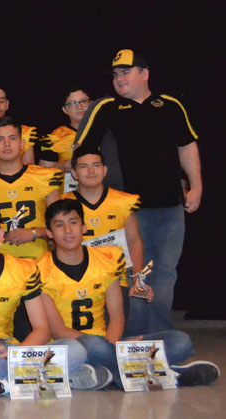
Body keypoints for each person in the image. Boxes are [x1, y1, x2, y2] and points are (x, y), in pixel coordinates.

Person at [73, 49, 202, 336]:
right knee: (131, 271)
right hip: (126, 209)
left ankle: (158, 335)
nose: (119, 79)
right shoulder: (106, 107)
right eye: (115, 74)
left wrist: (196, 186)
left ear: (144, 74)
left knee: (164, 271)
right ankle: (130, 335)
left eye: (126, 72)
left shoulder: (170, 105)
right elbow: (82, 151)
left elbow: (187, 146)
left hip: (170, 205)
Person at [38, 199, 218, 387]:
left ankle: (107, 372)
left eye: (73, 222)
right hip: (72, 346)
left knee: (181, 341)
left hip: (108, 343)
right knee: (91, 345)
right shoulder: (40, 269)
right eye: (59, 225)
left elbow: (117, 318)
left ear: (83, 228)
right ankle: (166, 373)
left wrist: (113, 345)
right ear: (49, 233)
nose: (68, 230)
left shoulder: (106, 260)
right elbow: (58, 331)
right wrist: (111, 347)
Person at [0, 204, 109, 395]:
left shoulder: (23, 269)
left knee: (75, 349)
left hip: (10, 348)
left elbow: (42, 329)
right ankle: (36, 378)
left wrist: (16, 352)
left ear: (0, 235)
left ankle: (3, 384)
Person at [0, 117, 62, 259]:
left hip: (38, 261)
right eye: (0, 139)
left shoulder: (45, 178)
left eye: (12, 138)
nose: (7, 144)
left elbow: (61, 226)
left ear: (22, 143)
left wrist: (33, 233)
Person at [62, 148, 145, 286]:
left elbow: (134, 241)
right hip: (77, 282)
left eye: (96, 165)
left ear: (105, 170)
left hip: (116, 280)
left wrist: (137, 278)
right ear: (74, 173)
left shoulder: (124, 201)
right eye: (83, 166)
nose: (91, 171)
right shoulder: (62, 203)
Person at [41, 87, 92, 171]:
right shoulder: (55, 137)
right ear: (65, 110)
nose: (79, 107)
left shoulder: (107, 131)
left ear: (91, 103)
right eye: (72, 103)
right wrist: (62, 166)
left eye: (83, 101)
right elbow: (43, 172)